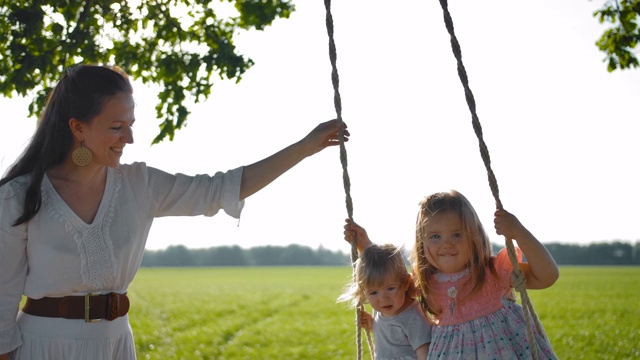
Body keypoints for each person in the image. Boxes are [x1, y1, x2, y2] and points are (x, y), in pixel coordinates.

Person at [0, 64, 349, 360]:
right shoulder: (18, 197)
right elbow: (1, 299)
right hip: (44, 346)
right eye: (116, 127)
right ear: (78, 128)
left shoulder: (141, 185)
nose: (130, 138)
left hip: (116, 344)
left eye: (131, 124)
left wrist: (305, 147)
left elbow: (219, 188)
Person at [344, 190, 559, 359]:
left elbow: (547, 276)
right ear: (422, 242)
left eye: (457, 234)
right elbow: (388, 283)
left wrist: (519, 233)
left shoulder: (492, 271)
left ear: (474, 236)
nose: (446, 243)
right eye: (435, 236)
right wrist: (366, 247)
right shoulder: (425, 283)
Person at [338, 243, 431, 360]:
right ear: (364, 292)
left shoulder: (413, 317)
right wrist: (372, 325)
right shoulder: (380, 309)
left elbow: (424, 352)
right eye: (373, 293)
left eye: (390, 289)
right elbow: (389, 337)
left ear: (406, 283)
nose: (383, 299)